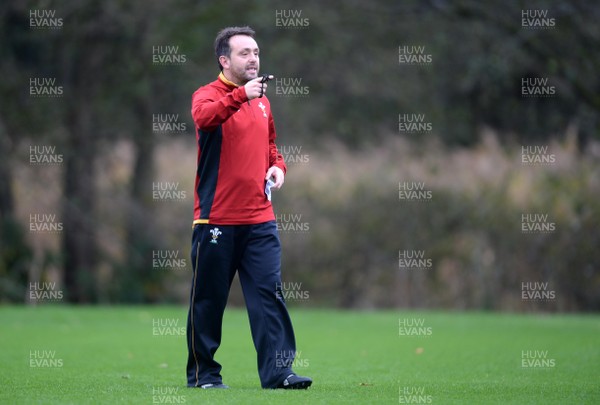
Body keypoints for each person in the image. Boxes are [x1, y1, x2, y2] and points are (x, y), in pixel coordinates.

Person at [185, 26, 312, 390]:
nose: (254, 58)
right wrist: (240, 95)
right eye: (244, 53)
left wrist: (277, 167)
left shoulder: (262, 101)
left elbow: (271, 144)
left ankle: (279, 374)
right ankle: (204, 376)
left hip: (261, 222)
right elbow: (205, 119)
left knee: (270, 298)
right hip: (216, 221)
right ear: (224, 60)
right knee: (208, 303)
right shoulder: (207, 96)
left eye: (256, 51)